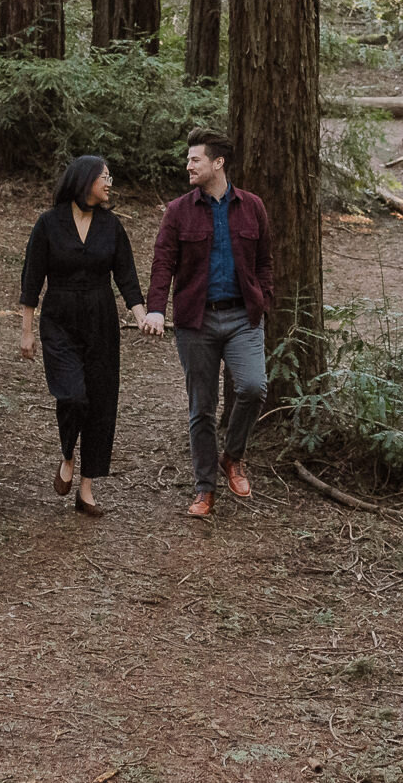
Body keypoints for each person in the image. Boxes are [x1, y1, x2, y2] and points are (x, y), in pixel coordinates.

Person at [141, 129, 271, 518]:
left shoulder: (252, 207)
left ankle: (233, 456)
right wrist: (156, 309)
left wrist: (264, 299)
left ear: (218, 163)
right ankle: (204, 489)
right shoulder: (178, 211)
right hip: (196, 320)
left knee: (253, 386)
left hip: (242, 317)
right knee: (202, 407)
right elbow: (162, 261)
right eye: (188, 159)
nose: (188, 165)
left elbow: (264, 260)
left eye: (195, 159)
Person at [20, 154, 151, 516]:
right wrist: (27, 332)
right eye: (104, 177)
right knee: (73, 396)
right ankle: (67, 455)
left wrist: (141, 316)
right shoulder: (49, 224)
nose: (110, 183)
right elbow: (32, 280)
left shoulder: (112, 226)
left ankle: (87, 488)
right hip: (59, 319)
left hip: (101, 321)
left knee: (100, 402)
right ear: (84, 180)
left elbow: (127, 277)